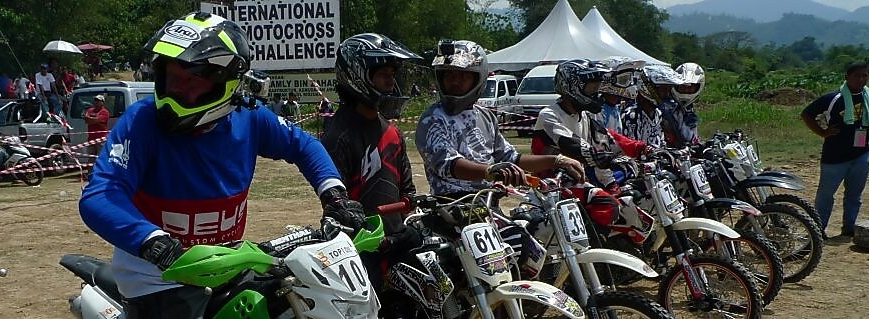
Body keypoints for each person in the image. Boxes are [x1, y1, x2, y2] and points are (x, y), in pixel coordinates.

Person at [78, 12, 363, 319]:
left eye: (191, 81)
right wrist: (152, 242)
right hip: (156, 279)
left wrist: (334, 195)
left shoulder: (249, 117)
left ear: (225, 83)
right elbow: (101, 194)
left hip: (227, 264)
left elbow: (304, 144)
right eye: (171, 77)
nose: (177, 90)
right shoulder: (142, 121)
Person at [412, 39, 586, 293]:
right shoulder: (433, 119)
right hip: (453, 210)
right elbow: (447, 164)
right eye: (448, 75)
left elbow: (512, 157)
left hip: (488, 207)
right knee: (504, 264)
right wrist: (488, 171)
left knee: (530, 253)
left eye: (463, 76)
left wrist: (556, 159)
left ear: (478, 79)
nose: (454, 81)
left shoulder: (485, 115)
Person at [318, 33, 423, 315]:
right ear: (358, 75)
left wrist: (407, 228)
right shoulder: (338, 136)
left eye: (392, 74)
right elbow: (335, 206)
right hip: (358, 252)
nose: (391, 82)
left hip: (398, 242)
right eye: (383, 75)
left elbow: (408, 190)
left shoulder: (392, 131)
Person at [531, 59, 653, 242]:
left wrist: (642, 148)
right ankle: (597, 250)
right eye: (591, 88)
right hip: (551, 185)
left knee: (631, 200)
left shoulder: (584, 116)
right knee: (608, 205)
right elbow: (573, 145)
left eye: (596, 87)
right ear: (571, 87)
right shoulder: (550, 115)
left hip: (576, 181)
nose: (596, 93)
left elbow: (609, 138)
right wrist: (610, 158)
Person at [801, 62, 869, 236]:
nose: (861, 79)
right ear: (847, 77)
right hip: (835, 155)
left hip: (861, 154)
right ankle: (818, 229)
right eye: (857, 75)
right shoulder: (834, 98)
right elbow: (807, 114)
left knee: (854, 195)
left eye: (865, 75)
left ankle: (849, 227)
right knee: (826, 195)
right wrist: (822, 132)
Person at [626, 65, 682, 148]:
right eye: (663, 89)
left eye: (668, 89)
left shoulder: (657, 114)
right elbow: (632, 149)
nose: (667, 94)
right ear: (648, 88)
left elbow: (661, 143)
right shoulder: (633, 116)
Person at [595, 56, 641, 132]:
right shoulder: (598, 110)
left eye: (630, 79)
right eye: (624, 79)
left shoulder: (615, 107)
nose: (628, 83)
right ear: (608, 79)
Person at [666, 62, 704, 147]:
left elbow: (691, 134)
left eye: (690, 87)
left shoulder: (689, 109)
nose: (686, 91)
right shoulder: (669, 107)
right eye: (683, 86)